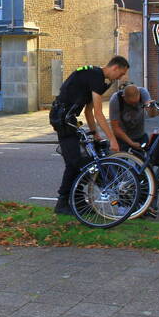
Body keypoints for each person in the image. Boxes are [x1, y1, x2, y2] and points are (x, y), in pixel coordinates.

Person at [49, 56, 130, 215]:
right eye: (121, 74)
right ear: (115, 68)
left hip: (67, 118)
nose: (120, 78)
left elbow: (88, 111)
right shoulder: (97, 77)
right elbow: (99, 113)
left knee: (82, 161)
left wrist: (95, 133)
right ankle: (63, 204)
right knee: (75, 162)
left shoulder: (95, 76)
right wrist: (112, 138)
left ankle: (77, 201)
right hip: (62, 118)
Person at [109, 83, 157, 152]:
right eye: (131, 103)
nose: (134, 105)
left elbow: (152, 115)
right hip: (122, 137)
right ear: (123, 97)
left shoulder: (143, 93)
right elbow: (115, 128)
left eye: (136, 102)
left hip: (140, 135)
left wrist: (152, 107)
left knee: (142, 160)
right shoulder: (115, 100)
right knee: (121, 160)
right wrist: (131, 143)